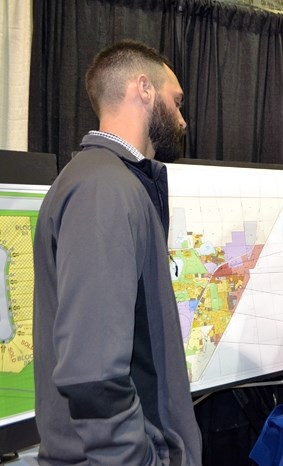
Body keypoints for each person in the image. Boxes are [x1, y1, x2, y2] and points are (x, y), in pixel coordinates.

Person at [33, 40, 202, 465]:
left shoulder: (114, 182)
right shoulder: (103, 189)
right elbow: (92, 372)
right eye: (176, 101)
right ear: (143, 89)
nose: (182, 119)